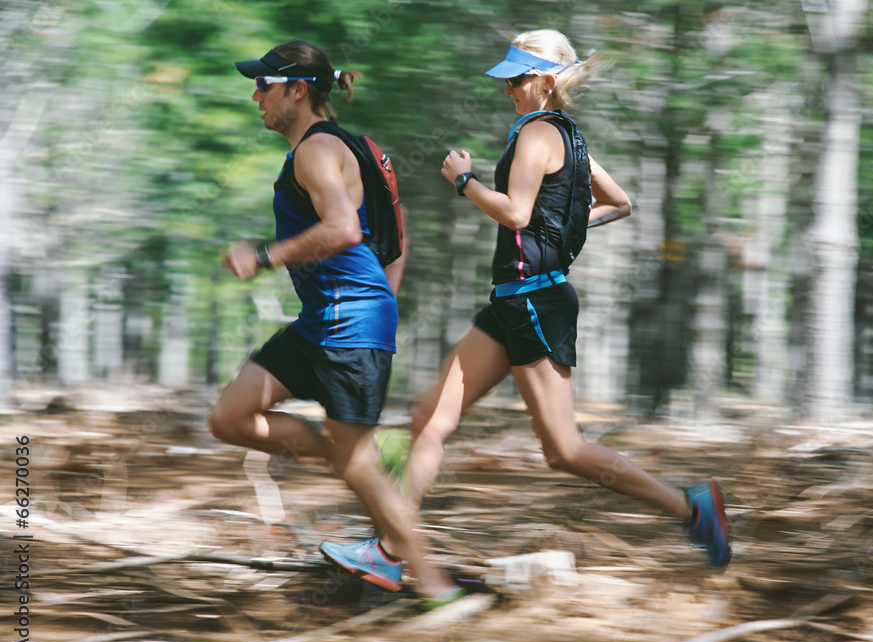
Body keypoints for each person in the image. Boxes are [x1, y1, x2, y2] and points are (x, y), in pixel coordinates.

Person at [381, 29, 732, 568]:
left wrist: (464, 181)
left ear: (545, 83)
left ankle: (692, 509)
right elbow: (620, 203)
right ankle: (390, 549)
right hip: (513, 301)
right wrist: (563, 229)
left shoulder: (536, 135)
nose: (508, 90)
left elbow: (517, 214)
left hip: (534, 303)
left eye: (517, 80)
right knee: (429, 415)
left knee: (564, 450)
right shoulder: (573, 139)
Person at [207, 40, 459, 603]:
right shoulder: (359, 148)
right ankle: (366, 456)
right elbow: (397, 223)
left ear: (298, 90)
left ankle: (436, 589)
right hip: (325, 320)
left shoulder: (316, 151)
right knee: (229, 417)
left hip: (349, 325)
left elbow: (346, 230)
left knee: (354, 463)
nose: (256, 97)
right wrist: (384, 296)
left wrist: (266, 256)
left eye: (264, 85)